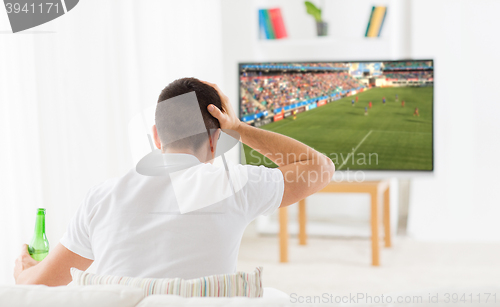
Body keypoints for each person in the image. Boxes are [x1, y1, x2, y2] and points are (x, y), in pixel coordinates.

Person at [14, 78, 335, 286]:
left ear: (156, 135)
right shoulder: (235, 185)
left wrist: (22, 272)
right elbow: (320, 168)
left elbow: (38, 285)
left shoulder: (102, 198)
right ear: (216, 139)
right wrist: (239, 128)